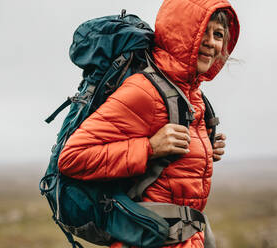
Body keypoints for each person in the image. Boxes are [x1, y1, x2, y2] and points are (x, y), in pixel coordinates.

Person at [58, 0, 240, 247]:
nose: (212, 43)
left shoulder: (191, 94)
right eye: (201, 32)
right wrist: (150, 147)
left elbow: (168, 174)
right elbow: (72, 157)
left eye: (218, 34)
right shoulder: (144, 90)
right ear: (181, 33)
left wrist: (205, 149)